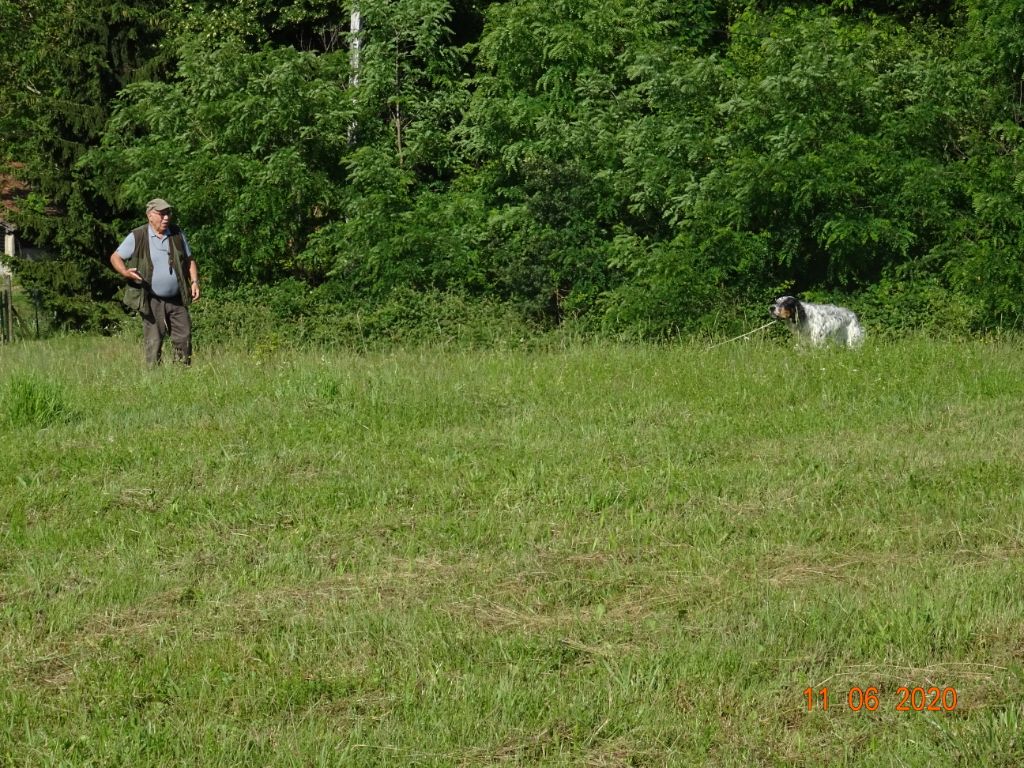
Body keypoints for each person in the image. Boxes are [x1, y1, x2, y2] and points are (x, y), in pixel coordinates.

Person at [110, 198, 200, 365]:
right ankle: (154, 378)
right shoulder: (138, 235)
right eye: (162, 214)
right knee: (154, 341)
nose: (166, 217)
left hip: (177, 298)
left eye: (168, 213)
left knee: (184, 337)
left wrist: (194, 282)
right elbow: (115, 257)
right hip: (150, 298)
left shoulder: (177, 234)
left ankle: (182, 375)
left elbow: (189, 260)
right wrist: (125, 272)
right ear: (150, 215)